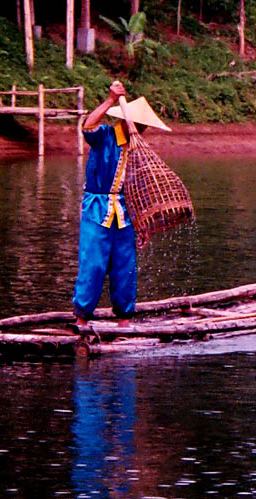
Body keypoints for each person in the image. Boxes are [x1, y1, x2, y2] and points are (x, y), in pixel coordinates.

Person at [72, 81, 171, 327]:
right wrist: (110, 100)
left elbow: (139, 188)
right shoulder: (104, 136)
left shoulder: (138, 149)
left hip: (126, 212)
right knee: (93, 263)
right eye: (140, 125)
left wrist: (142, 224)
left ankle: (124, 320)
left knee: (125, 267)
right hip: (97, 208)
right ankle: (82, 319)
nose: (143, 130)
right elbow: (87, 126)